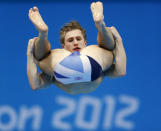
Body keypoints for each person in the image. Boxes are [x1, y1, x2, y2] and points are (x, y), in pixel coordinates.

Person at [27, 1, 126, 94]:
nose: (75, 43)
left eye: (78, 39)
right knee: (108, 49)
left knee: (41, 57)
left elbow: (35, 84)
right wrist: (118, 41)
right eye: (70, 40)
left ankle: (43, 34)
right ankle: (100, 25)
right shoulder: (63, 55)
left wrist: (30, 55)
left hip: (73, 66)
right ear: (63, 46)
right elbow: (120, 71)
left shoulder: (89, 53)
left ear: (85, 42)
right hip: (84, 64)